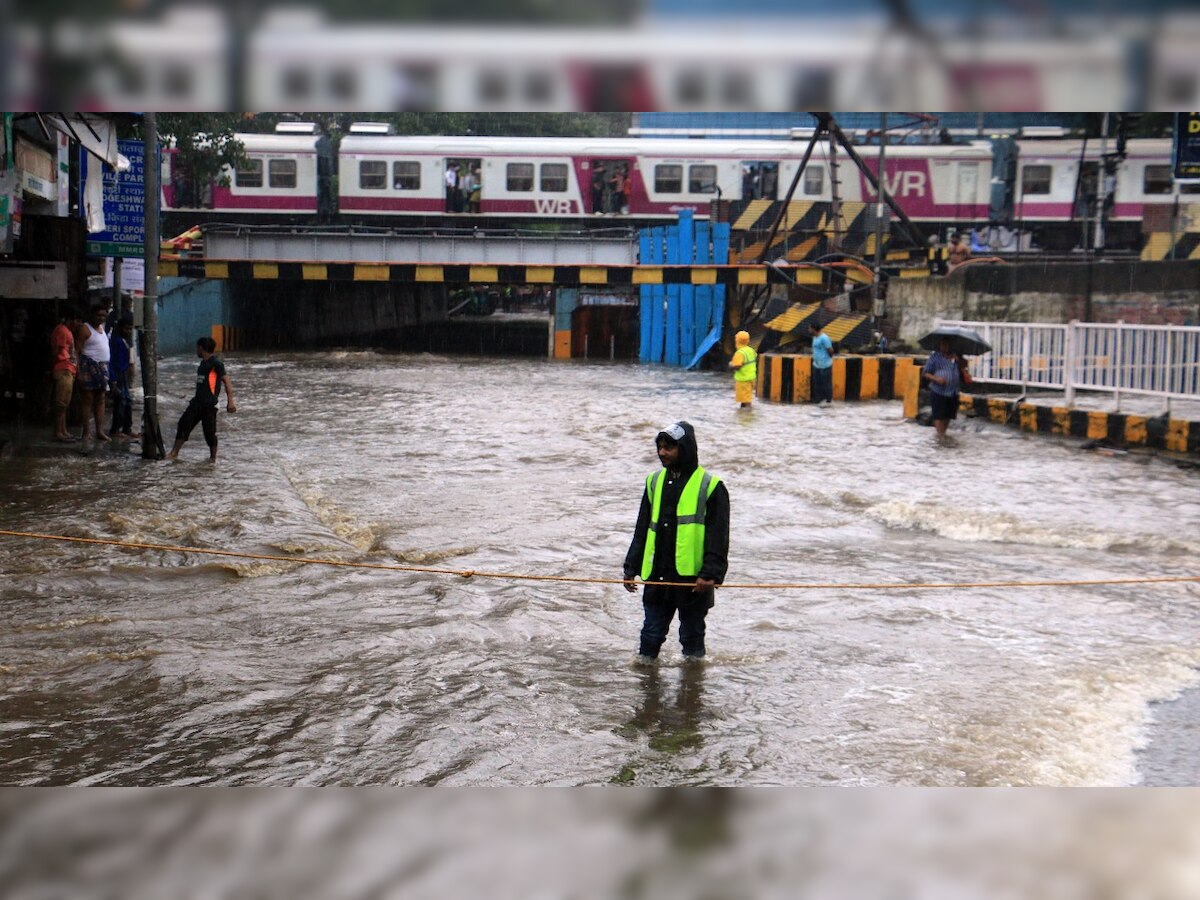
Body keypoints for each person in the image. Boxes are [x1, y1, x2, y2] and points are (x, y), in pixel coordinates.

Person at [623, 421, 730, 661]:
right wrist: (631, 567)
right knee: (650, 635)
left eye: (669, 448)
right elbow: (642, 528)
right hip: (658, 576)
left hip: (692, 581)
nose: (662, 453)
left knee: (692, 638)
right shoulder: (653, 482)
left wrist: (710, 574)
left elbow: (719, 537)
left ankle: (693, 687)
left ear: (685, 449)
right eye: (660, 447)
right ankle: (646, 682)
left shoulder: (711, 486)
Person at [166, 336, 237, 461]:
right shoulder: (202, 364)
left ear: (200, 348)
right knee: (183, 424)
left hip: (209, 405)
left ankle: (213, 459)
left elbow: (227, 381)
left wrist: (230, 402)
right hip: (197, 402)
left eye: (197, 348)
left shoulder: (216, 363)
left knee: (209, 433)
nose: (196, 351)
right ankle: (174, 452)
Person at [74, 303, 113, 442]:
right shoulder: (85, 328)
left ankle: (100, 431)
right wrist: (77, 370)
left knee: (100, 399)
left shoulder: (101, 328)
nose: (101, 318)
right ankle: (86, 432)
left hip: (103, 367)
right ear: (92, 314)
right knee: (87, 400)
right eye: (98, 315)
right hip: (88, 366)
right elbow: (77, 351)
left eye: (104, 315)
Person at [922, 336, 969, 438]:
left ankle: (943, 434)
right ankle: (940, 435)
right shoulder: (935, 357)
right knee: (939, 415)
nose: (945, 347)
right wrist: (937, 379)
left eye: (947, 345)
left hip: (953, 391)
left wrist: (959, 360)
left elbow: (965, 364)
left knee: (948, 414)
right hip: (938, 391)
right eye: (943, 345)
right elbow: (926, 373)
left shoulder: (956, 355)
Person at [49, 307, 82, 442]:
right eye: (77, 321)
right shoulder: (62, 331)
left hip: (68, 368)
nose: (78, 324)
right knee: (61, 403)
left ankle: (63, 430)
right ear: (70, 319)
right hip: (63, 368)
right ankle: (59, 432)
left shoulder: (66, 331)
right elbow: (57, 351)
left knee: (64, 403)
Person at [108, 313, 139, 440]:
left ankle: (127, 428)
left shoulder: (124, 341)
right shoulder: (115, 341)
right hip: (118, 373)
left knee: (127, 401)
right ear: (120, 328)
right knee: (120, 401)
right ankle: (116, 429)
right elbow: (111, 361)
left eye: (130, 328)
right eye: (126, 328)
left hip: (123, 373)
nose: (129, 331)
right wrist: (113, 380)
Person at [729, 330, 757, 408]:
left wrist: (731, 365)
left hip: (743, 380)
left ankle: (746, 415)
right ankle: (744, 412)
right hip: (751, 378)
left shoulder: (739, 353)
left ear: (737, 340)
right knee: (746, 398)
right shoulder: (751, 350)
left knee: (745, 400)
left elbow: (737, 366)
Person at [808, 320, 834, 406]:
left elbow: (830, 350)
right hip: (816, 365)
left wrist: (826, 360)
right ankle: (818, 401)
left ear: (814, 329)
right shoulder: (815, 337)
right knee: (817, 384)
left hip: (825, 365)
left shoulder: (824, 338)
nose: (808, 329)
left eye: (810, 328)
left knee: (826, 384)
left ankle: (828, 401)